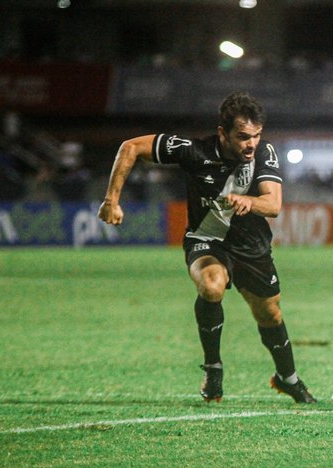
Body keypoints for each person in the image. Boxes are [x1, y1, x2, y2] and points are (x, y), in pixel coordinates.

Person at [97, 91, 316, 404]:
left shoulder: (264, 153)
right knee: (212, 287)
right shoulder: (194, 151)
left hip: (251, 246)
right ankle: (213, 368)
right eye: (242, 137)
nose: (251, 144)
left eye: (256, 135)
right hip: (206, 239)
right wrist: (111, 200)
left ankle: (288, 378)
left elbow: (273, 204)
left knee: (269, 314)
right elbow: (130, 147)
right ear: (222, 133)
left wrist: (248, 201)